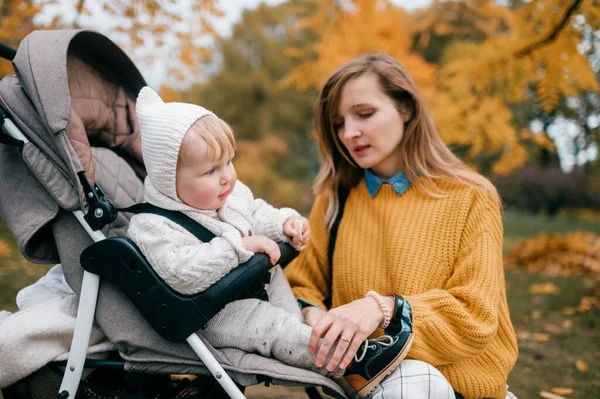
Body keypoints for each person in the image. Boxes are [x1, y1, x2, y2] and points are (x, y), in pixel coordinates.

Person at [127, 86, 412, 397]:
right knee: (270, 323)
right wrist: (238, 249)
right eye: (210, 170)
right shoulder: (152, 225)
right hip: (208, 313)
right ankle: (350, 362)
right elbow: (178, 273)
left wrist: (284, 224)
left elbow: (258, 213)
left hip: (254, 284)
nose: (227, 178)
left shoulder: (229, 196)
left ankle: (326, 359)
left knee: (292, 322)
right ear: (170, 180)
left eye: (228, 163)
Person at [284, 54, 519, 399]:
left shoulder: (471, 196)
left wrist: (381, 308)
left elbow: (475, 316)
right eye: (337, 123)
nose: (349, 133)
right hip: (365, 383)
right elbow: (303, 282)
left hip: (459, 389)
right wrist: (314, 315)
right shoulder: (336, 198)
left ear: (406, 109)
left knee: (417, 382)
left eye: (365, 113)